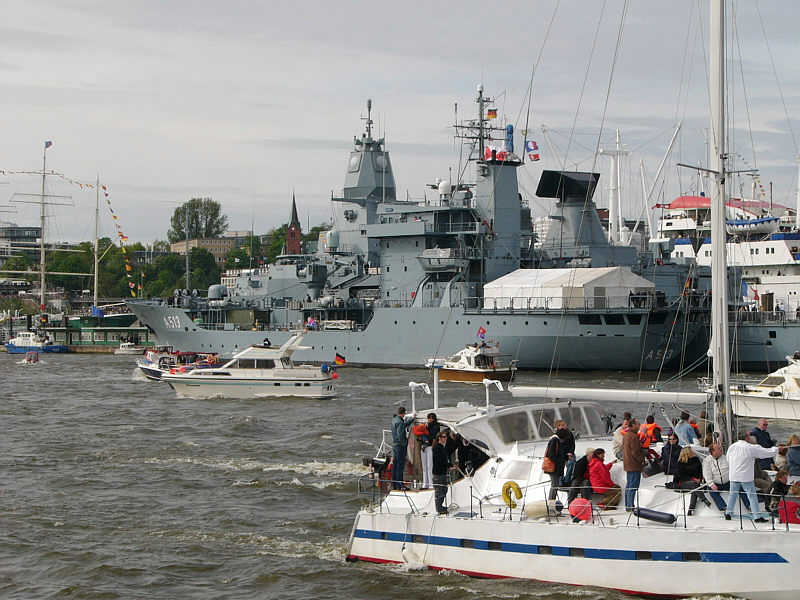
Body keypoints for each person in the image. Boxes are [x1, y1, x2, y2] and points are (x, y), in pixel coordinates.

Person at [724, 429, 783, 522]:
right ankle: (757, 516)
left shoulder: (732, 447)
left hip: (734, 475)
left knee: (733, 494)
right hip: (745, 476)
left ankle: (728, 513)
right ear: (746, 437)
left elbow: (728, 459)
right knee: (752, 496)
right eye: (749, 436)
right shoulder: (749, 448)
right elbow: (765, 452)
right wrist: (776, 449)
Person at [676, 446, 711, 515]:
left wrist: (699, 479)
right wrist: (693, 479)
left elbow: (700, 471)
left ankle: (691, 509)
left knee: (695, 488)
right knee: (694, 484)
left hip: (696, 482)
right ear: (687, 453)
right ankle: (703, 499)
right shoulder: (680, 463)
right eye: (691, 451)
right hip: (684, 482)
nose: (693, 452)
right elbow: (682, 476)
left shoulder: (696, 460)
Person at [623, 419, 646, 511]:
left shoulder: (626, 436)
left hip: (628, 464)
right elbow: (635, 452)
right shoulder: (633, 437)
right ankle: (630, 506)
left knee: (629, 485)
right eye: (638, 424)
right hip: (634, 465)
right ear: (632, 425)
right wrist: (642, 460)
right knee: (633, 485)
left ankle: (628, 505)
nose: (639, 425)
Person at [702, 442, 733, 511]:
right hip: (716, 483)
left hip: (727, 482)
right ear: (713, 451)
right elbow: (707, 474)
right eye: (719, 448)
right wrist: (712, 484)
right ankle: (722, 507)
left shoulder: (726, 458)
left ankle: (748, 505)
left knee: (739, 487)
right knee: (712, 491)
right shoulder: (707, 460)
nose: (721, 449)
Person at [391, 407, 415, 490]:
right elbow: (400, 435)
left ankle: (394, 483)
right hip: (400, 446)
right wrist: (405, 443)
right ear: (404, 413)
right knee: (400, 466)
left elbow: (403, 425)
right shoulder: (400, 422)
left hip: (395, 445)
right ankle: (399, 485)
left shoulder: (395, 420)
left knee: (395, 465)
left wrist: (410, 420)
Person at [545, 429, 569, 500]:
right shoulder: (554, 440)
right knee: (554, 485)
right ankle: (551, 501)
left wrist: (565, 457)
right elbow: (552, 454)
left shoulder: (556, 441)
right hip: (554, 468)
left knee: (555, 485)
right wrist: (559, 463)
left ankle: (552, 500)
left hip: (555, 468)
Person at [432, 431, 451, 515]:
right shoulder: (437, 448)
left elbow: (444, 460)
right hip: (438, 473)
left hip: (442, 472)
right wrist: (448, 466)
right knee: (439, 491)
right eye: (444, 437)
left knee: (444, 489)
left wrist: (451, 465)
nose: (445, 438)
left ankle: (441, 506)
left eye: (446, 437)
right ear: (439, 438)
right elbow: (440, 460)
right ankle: (439, 508)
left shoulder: (442, 447)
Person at [420, 413, 440, 489]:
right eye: (428, 418)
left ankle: (431, 484)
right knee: (424, 467)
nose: (429, 420)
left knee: (429, 466)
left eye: (430, 418)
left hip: (430, 446)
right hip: (424, 447)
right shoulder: (425, 426)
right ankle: (425, 484)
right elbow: (421, 434)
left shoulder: (436, 427)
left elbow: (433, 435)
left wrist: (426, 429)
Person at [555, 420, 576, 486]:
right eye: (560, 425)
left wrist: (571, 452)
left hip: (569, 452)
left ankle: (567, 480)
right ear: (558, 427)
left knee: (570, 463)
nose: (562, 426)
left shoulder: (569, 433)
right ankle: (560, 482)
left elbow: (573, 444)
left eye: (563, 425)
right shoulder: (556, 436)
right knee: (561, 467)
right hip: (561, 454)